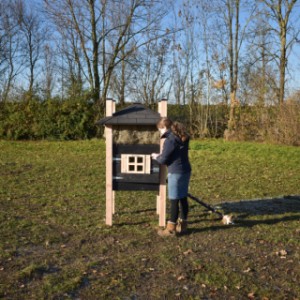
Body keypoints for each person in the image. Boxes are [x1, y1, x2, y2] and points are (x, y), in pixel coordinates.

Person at [151, 117, 191, 236]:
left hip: (176, 172)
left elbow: (163, 160)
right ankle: (182, 226)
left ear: (164, 128)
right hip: (186, 170)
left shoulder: (170, 139)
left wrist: (155, 156)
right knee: (183, 197)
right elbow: (174, 153)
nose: (160, 132)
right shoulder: (181, 135)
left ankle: (170, 230)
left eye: (160, 130)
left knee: (174, 200)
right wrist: (162, 155)